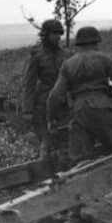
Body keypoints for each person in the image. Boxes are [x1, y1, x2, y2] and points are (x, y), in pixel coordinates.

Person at [47, 26, 112, 217]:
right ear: (96, 42)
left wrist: (51, 118)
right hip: (103, 110)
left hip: (79, 113)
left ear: (79, 44)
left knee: (79, 164)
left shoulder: (68, 64)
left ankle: (75, 214)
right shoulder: (104, 59)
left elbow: (54, 97)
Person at [22, 19, 69, 159]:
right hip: (43, 104)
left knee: (67, 138)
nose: (58, 37)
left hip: (64, 103)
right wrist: (28, 110)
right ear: (46, 34)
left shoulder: (66, 54)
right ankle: (45, 170)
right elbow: (29, 84)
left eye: (59, 33)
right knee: (46, 141)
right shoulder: (37, 57)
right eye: (54, 33)